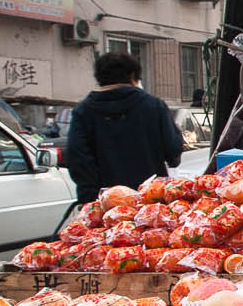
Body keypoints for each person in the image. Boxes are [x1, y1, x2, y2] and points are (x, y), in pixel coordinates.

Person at [65, 51, 184, 205]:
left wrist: (92, 194)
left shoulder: (84, 111)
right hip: (150, 201)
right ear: (133, 76)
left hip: (103, 205)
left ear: (99, 78)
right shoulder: (153, 107)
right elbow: (173, 149)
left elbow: (76, 158)